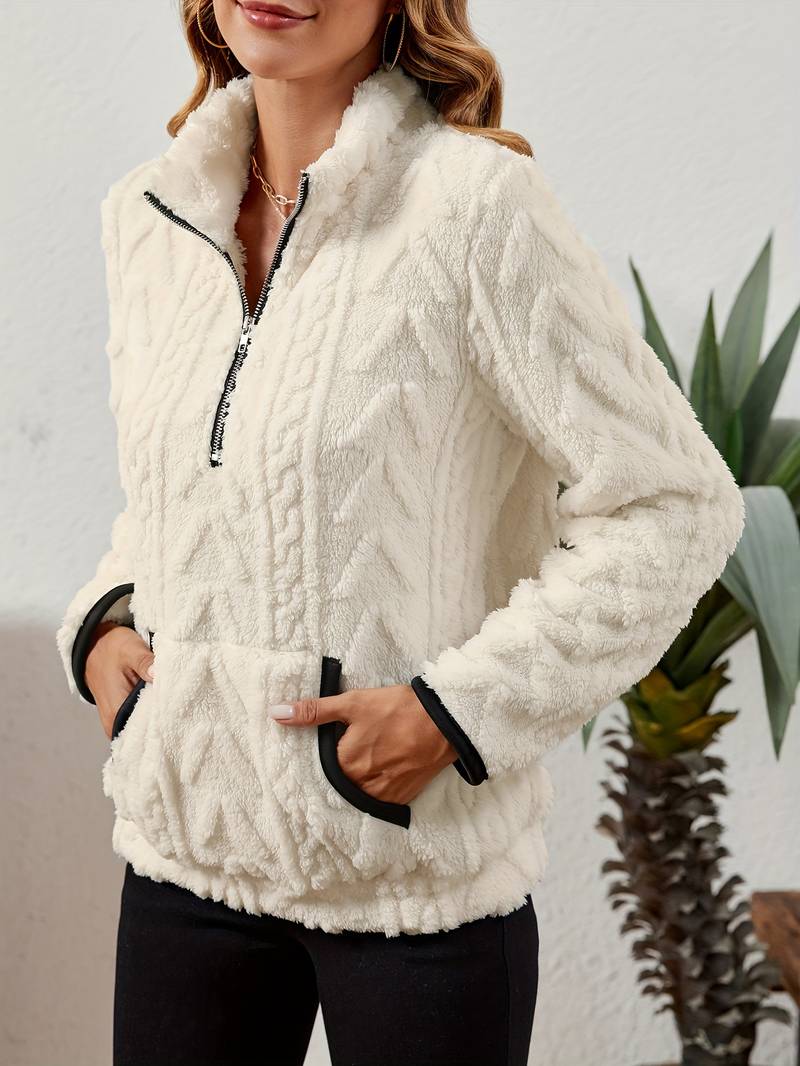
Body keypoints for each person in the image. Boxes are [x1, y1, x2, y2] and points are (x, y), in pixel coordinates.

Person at [55, 1, 746, 1063]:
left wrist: (453, 713)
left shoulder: (475, 208)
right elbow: (182, 497)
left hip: (413, 887)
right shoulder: (147, 217)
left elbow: (675, 503)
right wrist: (104, 626)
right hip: (188, 864)